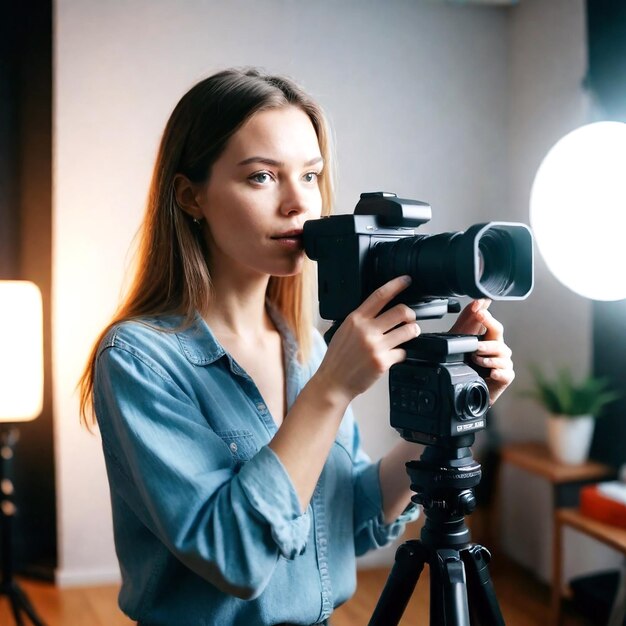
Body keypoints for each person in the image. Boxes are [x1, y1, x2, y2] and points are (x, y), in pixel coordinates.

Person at [79, 68, 515, 626]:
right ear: (191, 196)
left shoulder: (305, 345)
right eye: (262, 177)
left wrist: (454, 404)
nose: (297, 204)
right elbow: (234, 559)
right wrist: (331, 390)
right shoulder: (140, 359)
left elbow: (353, 516)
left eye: (310, 176)